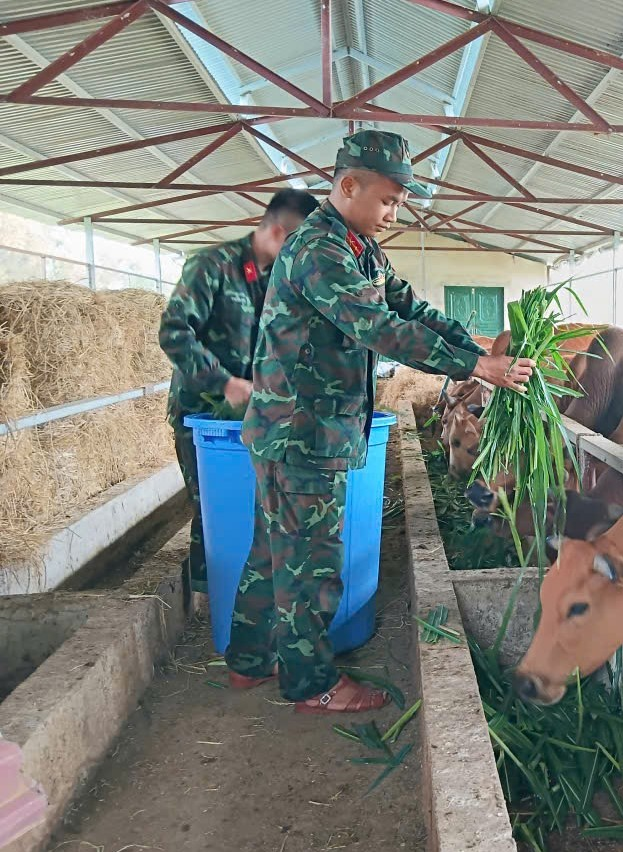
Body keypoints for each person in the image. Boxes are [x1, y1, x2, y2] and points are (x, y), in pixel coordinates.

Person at [225, 129, 534, 713]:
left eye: (399, 201)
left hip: (299, 430)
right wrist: (476, 366)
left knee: (273, 550)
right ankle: (313, 686)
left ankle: (248, 662)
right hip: (303, 434)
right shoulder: (320, 249)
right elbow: (377, 327)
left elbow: (409, 310)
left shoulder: (361, 248)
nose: (395, 212)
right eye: (388, 200)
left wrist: (480, 343)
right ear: (348, 185)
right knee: (309, 562)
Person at [159, 189, 320, 601]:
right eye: (300, 245)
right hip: (205, 415)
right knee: (211, 506)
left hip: (257, 416)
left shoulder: (278, 283)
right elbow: (174, 333)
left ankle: (251, 600)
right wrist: (223, 383)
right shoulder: (211, 266)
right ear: (280, 233)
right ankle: (210, 597)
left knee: (261, 505)